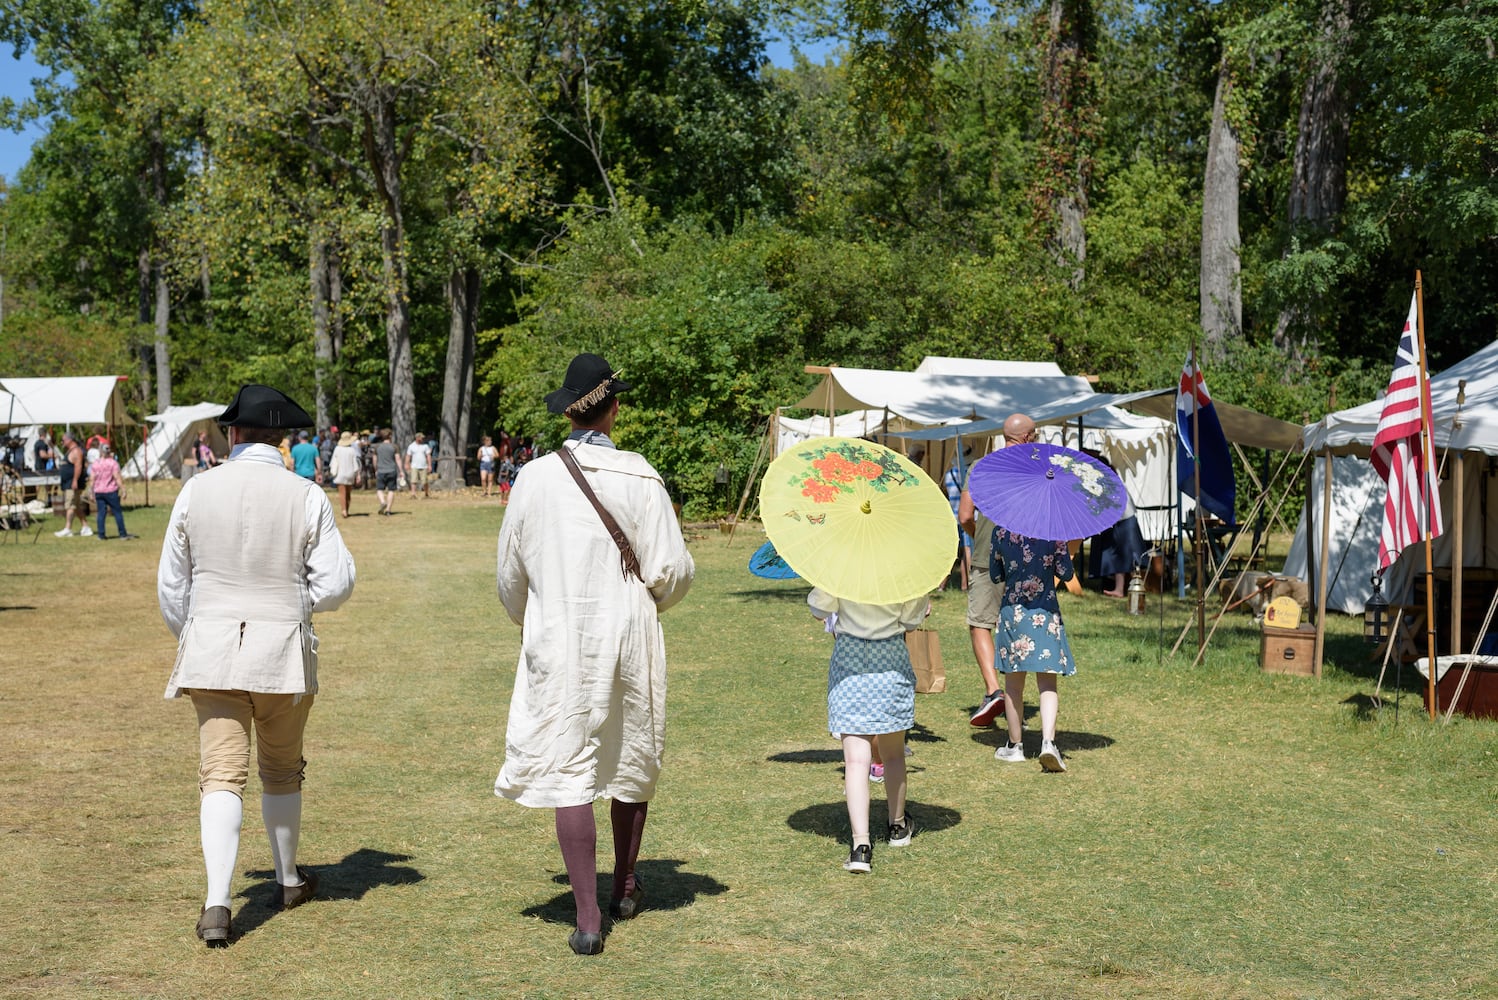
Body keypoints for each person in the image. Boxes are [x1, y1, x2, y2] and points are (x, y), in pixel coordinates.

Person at [494, 353, 694, 956]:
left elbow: (510, 576)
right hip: (631, 624)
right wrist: (646, 601)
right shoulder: (642, 474)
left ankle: (587, 919)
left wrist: (534, 617)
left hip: (561, 629)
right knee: (632, 747)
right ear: (613, 409)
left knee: (568, 762)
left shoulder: (533, 478)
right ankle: (625, 885)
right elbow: (674, 571)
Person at [157, 384, 356, 947]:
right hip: (282, 652)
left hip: (213, 651)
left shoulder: (196, 491)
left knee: (220, 774)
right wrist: (292, 605)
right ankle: (289, 878)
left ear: (233, 433)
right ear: (282, 437)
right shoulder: (306, 493)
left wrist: (197, 633)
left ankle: (219, 902)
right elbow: (336, 583)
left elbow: (173, 586)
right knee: (281, 767)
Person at [809, 588, 926, 874]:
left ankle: (861, 846)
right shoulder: (903, 573)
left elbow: (818, 608)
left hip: (850, 661)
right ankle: (897, 826)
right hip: (891, 661)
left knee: (855, 761)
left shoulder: (841, 571)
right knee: (894, 755)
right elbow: (912, 620)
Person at [959, 413, 1038, 731]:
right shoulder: (1035, 470)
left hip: (986, 556)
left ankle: (994, 690)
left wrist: (982, 535)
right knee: (1019, 628)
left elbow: (965, 515)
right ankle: (1015, 696)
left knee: (981, 624)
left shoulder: (980, 467)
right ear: (1030, 437)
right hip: (1025, 558)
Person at [990, 523, 1077, 773]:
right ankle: (1048, 743)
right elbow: (1067, 574)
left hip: (1013, 614)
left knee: (1013, 686)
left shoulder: (1001, 531)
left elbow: (996, 574)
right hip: (1045, 613)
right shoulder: (1053, 530)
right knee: (1047, 684)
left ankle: (1015, 746)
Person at [90, 444, 137, 540]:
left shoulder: (95, 464)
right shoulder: (113, 463)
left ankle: (101, 534)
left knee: (101, 513)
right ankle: (122, 533)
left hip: (99, 491)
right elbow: (117, 478)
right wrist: (123, 489)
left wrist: (91, 492)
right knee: (117, 512)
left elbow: (92, 479)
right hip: (111, 491)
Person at [53, 432, 93, 537]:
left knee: (70, 505)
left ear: (69, 440)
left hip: (73, 483)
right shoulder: (69, 451)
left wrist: (75, 480)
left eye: (63, 440)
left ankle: (68, 528)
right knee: (75, 506)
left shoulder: (76, 451)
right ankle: (85, 527)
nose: (62, 442)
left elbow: (78, 466)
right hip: (67, 482)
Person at [944, 445, 973, 589]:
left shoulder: (949, 474)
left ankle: (941, 585)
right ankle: (966, 584)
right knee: (968, 550)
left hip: (953, 515)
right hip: (968, 515)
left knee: (951, 551)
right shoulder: (971, 473)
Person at [328, 430, 362, 518]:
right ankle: (347, 509)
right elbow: (355, 464)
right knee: (348, 493)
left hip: (340, 473)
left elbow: (333, 462)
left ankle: (344, 510)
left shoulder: (337, 449)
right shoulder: (352, 450)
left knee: (342, 493)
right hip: (350, 473)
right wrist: (357, 474)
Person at [373, 428, 402, 515]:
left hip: (381, 470)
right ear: (390, 436)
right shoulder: (394, 446)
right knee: (391, 490)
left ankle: (382, 501)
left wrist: (375, 469)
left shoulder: (377, 447)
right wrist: (401, 471)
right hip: (392, 470)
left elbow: (374, 460)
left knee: (379, 489)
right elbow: (398, 459)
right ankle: (388, 510)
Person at [405, 433, 432, 498]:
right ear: (417, 438)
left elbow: (428, 456)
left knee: (424, 481)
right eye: (421, 438)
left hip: (424, 466)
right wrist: (407, 464)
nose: (423, 439)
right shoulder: (411, 446)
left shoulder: (425, 446)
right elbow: (408, 456)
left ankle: (426, 493)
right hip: (414, 466)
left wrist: (429, 465)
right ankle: (413, 494)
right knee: (413, 480)